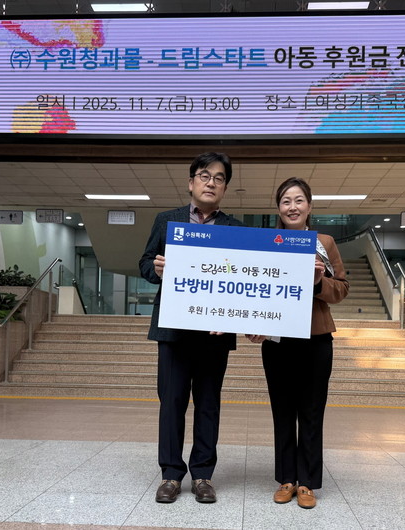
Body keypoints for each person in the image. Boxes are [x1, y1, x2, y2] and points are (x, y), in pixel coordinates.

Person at [139, 152, 243, 504]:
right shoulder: (167, 221)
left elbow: (242, 278)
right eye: (204, 176)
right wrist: (156, 268)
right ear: (191, 183)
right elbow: (144, 262)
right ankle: (171, 474)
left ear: (225, 188)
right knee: (171, 403)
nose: (211, 182)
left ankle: (202, 475)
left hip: (215, 333)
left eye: (219, 178)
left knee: (208, 404)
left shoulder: (235, 228)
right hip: (173, 330)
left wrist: (233, 317)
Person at [247, 177, 349, 509]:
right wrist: (253, 324)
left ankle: (307, 482)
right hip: (277, 341)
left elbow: (342, 288)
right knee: (282, 412)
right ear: (278, 208)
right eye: (286, 201)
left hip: (316, 339)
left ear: (309, 206)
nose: (292, 207)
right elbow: (255, 288)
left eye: (299, 200)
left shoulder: (323, 243)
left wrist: (319, 282)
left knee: (311, 413)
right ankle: (286, 479)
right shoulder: (267, 243)